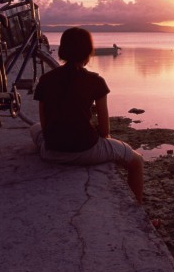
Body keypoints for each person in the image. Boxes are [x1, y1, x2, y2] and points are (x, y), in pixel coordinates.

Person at [30, 27, 144, 203]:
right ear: (88, 52)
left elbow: (44, 124)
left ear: (62, 50)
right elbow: (105, 130)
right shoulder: (96, 81)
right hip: (85, 151)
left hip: (50, 151)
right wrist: (102, 138)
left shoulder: (46, 80)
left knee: (34, 128)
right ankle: (138, 207)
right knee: (137, 161)